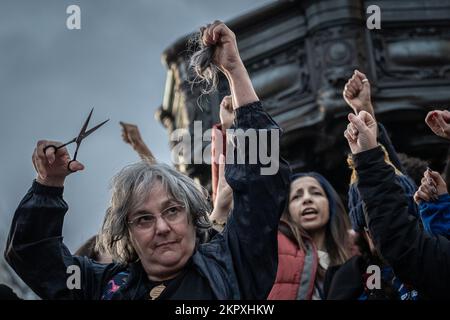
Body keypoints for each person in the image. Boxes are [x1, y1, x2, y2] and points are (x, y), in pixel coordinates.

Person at [4, 21, 290, 300]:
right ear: (126, 231)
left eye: (172, 211)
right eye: (143, 219)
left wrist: (235, 70)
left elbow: (262, 177)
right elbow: (32, 253)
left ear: (193, 218)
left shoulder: (231, 266)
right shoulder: (102, 286)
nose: (162, 228)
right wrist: (48, 184)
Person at [342, 107, 450, 299]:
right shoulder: (353, 278)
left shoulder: (426, 259)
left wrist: (368, 156)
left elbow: (399, 236)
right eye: (367, 225)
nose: (373, 231)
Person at [268, 172, 351, 300]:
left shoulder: (357, 254)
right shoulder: (271, 251)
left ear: (330, 204)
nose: (307, 199)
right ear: (287, 210)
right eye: (296, 196)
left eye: (316, 193)